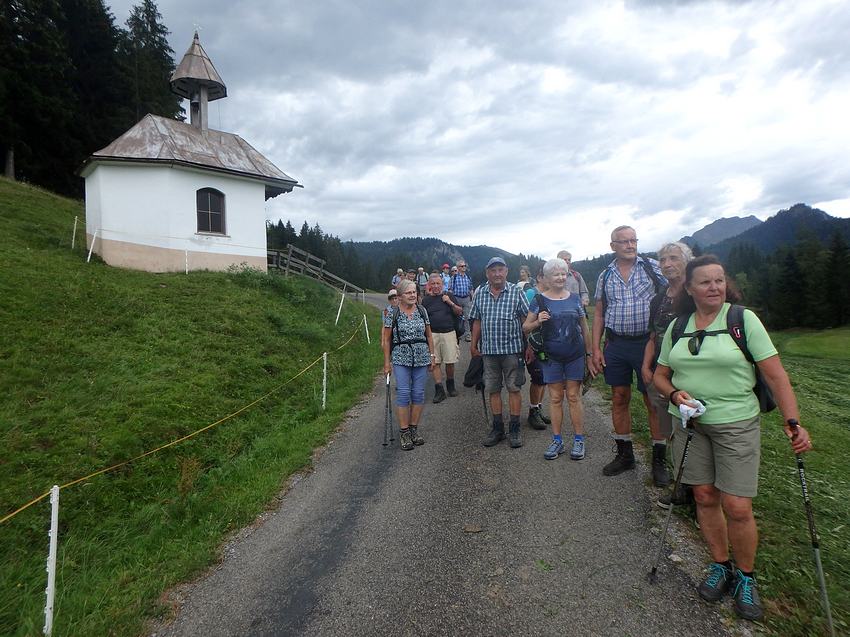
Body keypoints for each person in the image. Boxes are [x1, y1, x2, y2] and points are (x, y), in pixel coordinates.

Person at [652, 254, 812, 622]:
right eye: (705, 282)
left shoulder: (742, 320)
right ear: (690, 288)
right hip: (690, 425)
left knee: (737, 506)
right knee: (704, 496)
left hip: (736, 423)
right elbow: (660, 375)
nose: (714, 287)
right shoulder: (678, 326)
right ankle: (720, 565)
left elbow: (776, 375)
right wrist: (674, 395)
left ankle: (746, 577)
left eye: (719, 280)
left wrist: (792, 421)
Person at [591, 225, 667, 477]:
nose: (630, 245)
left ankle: (659, 460)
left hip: (648, 343)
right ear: (613, 246)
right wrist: (595, 348)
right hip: (616, 344)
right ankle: (625, 455)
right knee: (619, 397)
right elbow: (599, 313)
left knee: (653, 400)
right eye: (624, 241)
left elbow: (673, 294)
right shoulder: (605, 275)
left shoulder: (652, 267)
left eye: (633, 240)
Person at [524, 259, 596, 460]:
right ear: (546, 278)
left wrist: (589, 355)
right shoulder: (539, 300)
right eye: (556, 274)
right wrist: (538, 321)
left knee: (573, 396)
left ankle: (579, 440)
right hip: (551, 357)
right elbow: (526, 327)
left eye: (563, 273)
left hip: (574, 355)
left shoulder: (575, 299)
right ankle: (557, 440)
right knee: (555, 398)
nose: (561, 277)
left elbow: (585, 328)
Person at [636, 242, 694, 487]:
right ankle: (661, 462)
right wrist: (645, 366)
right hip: (661, 370)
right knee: (663, 419)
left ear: (687, 261)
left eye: (674, 258)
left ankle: (691, 480)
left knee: (690, 423)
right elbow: (653, 335)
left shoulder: (695, 294)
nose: (667, 264)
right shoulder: (658, 298)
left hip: (690, 371)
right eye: (663, 260)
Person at [470, 257, 530, 448]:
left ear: (506, 271)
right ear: (487, 273)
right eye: (493, 270)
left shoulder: (516, 292)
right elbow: (477, 321)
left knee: (514, 388)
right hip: (488, 352)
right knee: (493, 389)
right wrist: (473, 345)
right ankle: (498, 429)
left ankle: (514, 429)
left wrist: (529, 345)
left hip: (513, 351)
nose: (497, 274)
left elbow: (526, 320)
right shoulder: (480, 294)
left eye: (500, 270)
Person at [382, 279, 435, 451]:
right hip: (401, 357)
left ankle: (414, 429)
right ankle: (404, 432)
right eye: (409, 293)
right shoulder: (393, 313)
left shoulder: (422, 311)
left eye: (414, 292)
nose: (413, 295)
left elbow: (429, 335)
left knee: (418, 394)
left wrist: (432, 356)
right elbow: (386, 339)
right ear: (400, 296)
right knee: (404, 393)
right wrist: (387, 363)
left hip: (421, 356)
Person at [421, 273, 463, 402]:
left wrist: (449, 302)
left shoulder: (449, 296)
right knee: (436, 362)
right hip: (432, 334)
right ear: (429, 285)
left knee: (450, 361)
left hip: (449, 332)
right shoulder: (426, 300)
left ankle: (450, 385)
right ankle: (439, 390)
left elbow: (459, 311)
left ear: (442, 284)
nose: (435, 286)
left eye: (438, 283)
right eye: (433, 284)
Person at [524, 265, 551, 430]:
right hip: (532, 343)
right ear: (540, 277)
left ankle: (538, 409)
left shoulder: (550, 294)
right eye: (548, 275)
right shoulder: (531, 293)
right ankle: (533, 411)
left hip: (546, 343)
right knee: (538, 376)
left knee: (544, 378)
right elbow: (524, 320)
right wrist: (528, 345)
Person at [449, 260, 474, 341]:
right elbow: (450, 289)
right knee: (456, 317)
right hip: (457, 299)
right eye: (462, 266)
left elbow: (471, 289)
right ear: (458, 267)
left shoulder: (468, 277)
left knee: (467, 317)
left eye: (464, 266)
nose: (464, 267)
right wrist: (451, 300)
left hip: (466, 299)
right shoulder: (454, 278)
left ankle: (468, 335)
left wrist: (473, 298)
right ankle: (457, 333)